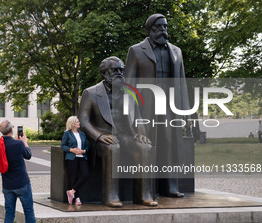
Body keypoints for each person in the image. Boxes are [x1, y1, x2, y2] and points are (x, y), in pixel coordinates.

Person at [125, 14, 191, 198]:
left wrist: (185, 111)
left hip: (170, 107)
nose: (164, 30)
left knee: (169, 145)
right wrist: (131, 115)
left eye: (165, 27)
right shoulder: (136, 51)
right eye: (160, 27)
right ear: (150, 29)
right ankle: (148, 187)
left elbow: (182, 82)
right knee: (150, 146)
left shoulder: (176, 51)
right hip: (146, 107)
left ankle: (170, 185)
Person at [78, 56, 157, 207]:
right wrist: (100, 136)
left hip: (125, 135)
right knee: (113, 148)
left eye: (122, 70)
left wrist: (141, 133)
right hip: (102, 137)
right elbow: (83, 120)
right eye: (115, 70)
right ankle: (110, 195)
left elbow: (138, 117)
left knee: (144, 147)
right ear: (104, 73)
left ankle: (143, 195)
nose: (120, 73)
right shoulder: (91, 93)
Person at [0, 120, 45, 223]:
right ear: (12, 130)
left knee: (9, 214)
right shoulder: (19, 144)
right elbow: (28, 155)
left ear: (0, 132)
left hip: (8, 185)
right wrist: (24, 142)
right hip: (22, 183)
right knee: (29, 212)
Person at [61, 116, 89, 205]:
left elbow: (87, 146)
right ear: (72, 124)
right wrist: (72, 150)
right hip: (72, 157)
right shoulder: (67, 134)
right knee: (73, 177)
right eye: (77, 122)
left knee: (85, 174)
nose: (79, 123)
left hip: (82, 157)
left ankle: (71, 192)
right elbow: (63, 146)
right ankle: (77, 198)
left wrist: (83, 151)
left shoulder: (82, 134)